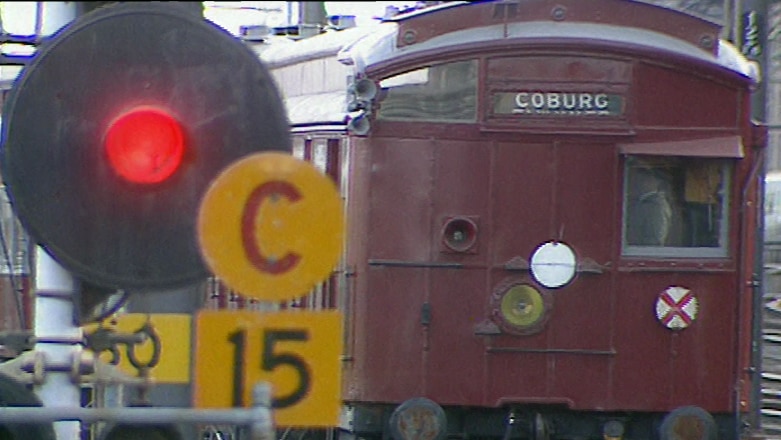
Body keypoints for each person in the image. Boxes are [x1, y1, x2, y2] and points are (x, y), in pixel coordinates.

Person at [627, 166, 673, 246]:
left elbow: (654, 238)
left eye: (647, 178)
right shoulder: (641, 203)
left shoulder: (656, 206)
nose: (641, 181)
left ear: (656, 182)